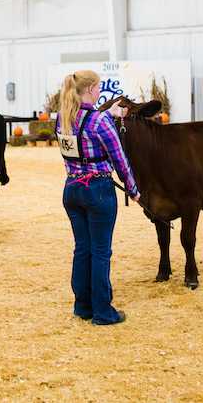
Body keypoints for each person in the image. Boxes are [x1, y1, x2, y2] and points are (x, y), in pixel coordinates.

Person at [56, 70, 141, 326]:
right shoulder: (100, 123)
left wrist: (109, 113)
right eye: (98, 88)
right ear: (92, 89)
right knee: (101, 251)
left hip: (72, 188)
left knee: (82, 249)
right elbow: (119, 160)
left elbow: (79, 139)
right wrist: (133, 190)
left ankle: (82, 306)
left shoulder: (63, 118)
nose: (99, 92)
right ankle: (103, 312)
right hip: (99, 190)